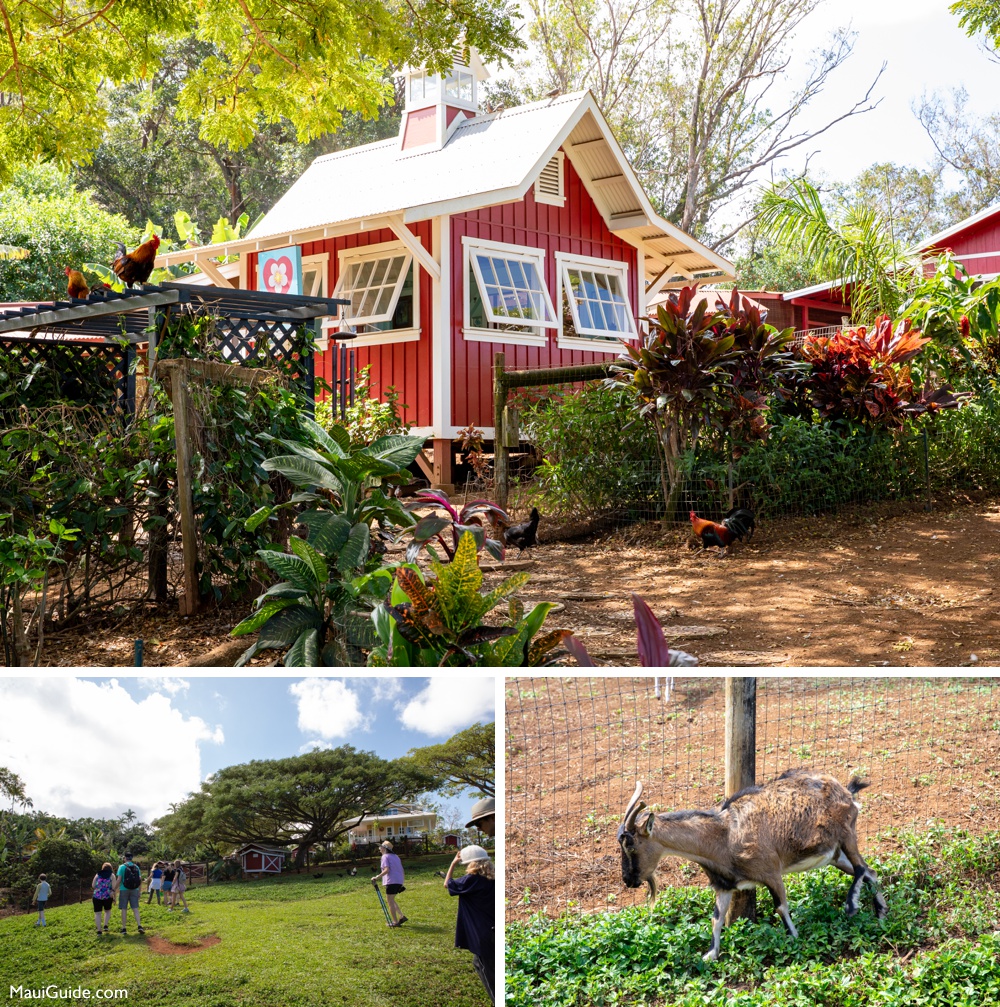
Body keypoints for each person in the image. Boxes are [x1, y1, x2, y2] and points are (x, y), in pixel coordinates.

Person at [444, 845, 495, 1004]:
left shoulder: (471, 880)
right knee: (480, 963)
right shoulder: (493, 879)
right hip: (494, 928)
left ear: (471, 864)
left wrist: (453, 864)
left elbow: (448, 884)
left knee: (489, 973)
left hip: (483, 935)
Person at [372, 840, 407, 926]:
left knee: (389, 901)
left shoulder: (385, 857)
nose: (379, 848)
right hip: (398, 880)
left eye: (380, 847)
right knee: (391, 899)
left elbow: (387, 870)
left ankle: (395, 922)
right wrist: (401, 881)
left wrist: (377, 877)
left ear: (384, 848)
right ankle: (401, 916)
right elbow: (401, 870)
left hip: (392, 881)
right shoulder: (396, 856)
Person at [115, 852, 144, 935]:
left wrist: (114, 889)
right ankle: (139, 925)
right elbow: (140, 880)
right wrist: (139, 891)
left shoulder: (122, 867)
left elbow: (119, 879)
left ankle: (124, 928)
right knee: (135, 908)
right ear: (132, 858)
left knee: (124, 909)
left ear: (125, 858)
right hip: (135, 889)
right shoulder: (136, 867)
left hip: (124, 889)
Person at [92, 863, 115, 935]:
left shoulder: (97, 874)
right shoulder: (112, 875)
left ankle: (99, 930)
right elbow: (114, 887)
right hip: (107, 896)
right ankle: (105, 925)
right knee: (107, 911)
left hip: (97, 896)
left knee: (98, 913)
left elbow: (93, 885)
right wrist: (114, 898)